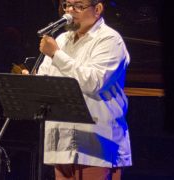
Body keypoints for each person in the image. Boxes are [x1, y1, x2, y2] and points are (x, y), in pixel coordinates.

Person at [37, 0, 132, 179]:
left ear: (98, 9)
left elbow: (93, 82)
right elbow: (47, 79)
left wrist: (56, 55)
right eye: (67, 5)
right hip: (61, 141)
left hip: (96, 145)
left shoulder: (110, 39)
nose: (70, 11)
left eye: (78, 6)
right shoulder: (61, 39)